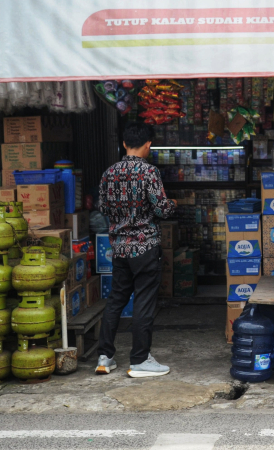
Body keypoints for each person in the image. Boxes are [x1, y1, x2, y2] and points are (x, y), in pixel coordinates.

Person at [96, 122, 176, 378]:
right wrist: (172, 203)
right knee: (143, 301)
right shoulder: (149, 172)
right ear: (148, 145)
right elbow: (162, 209)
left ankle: (105, 357)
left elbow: (104, 209)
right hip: (144, 248)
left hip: (119, 248)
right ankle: (140, 360)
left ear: (123, 144)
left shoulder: (109, 172)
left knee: (116, 301)